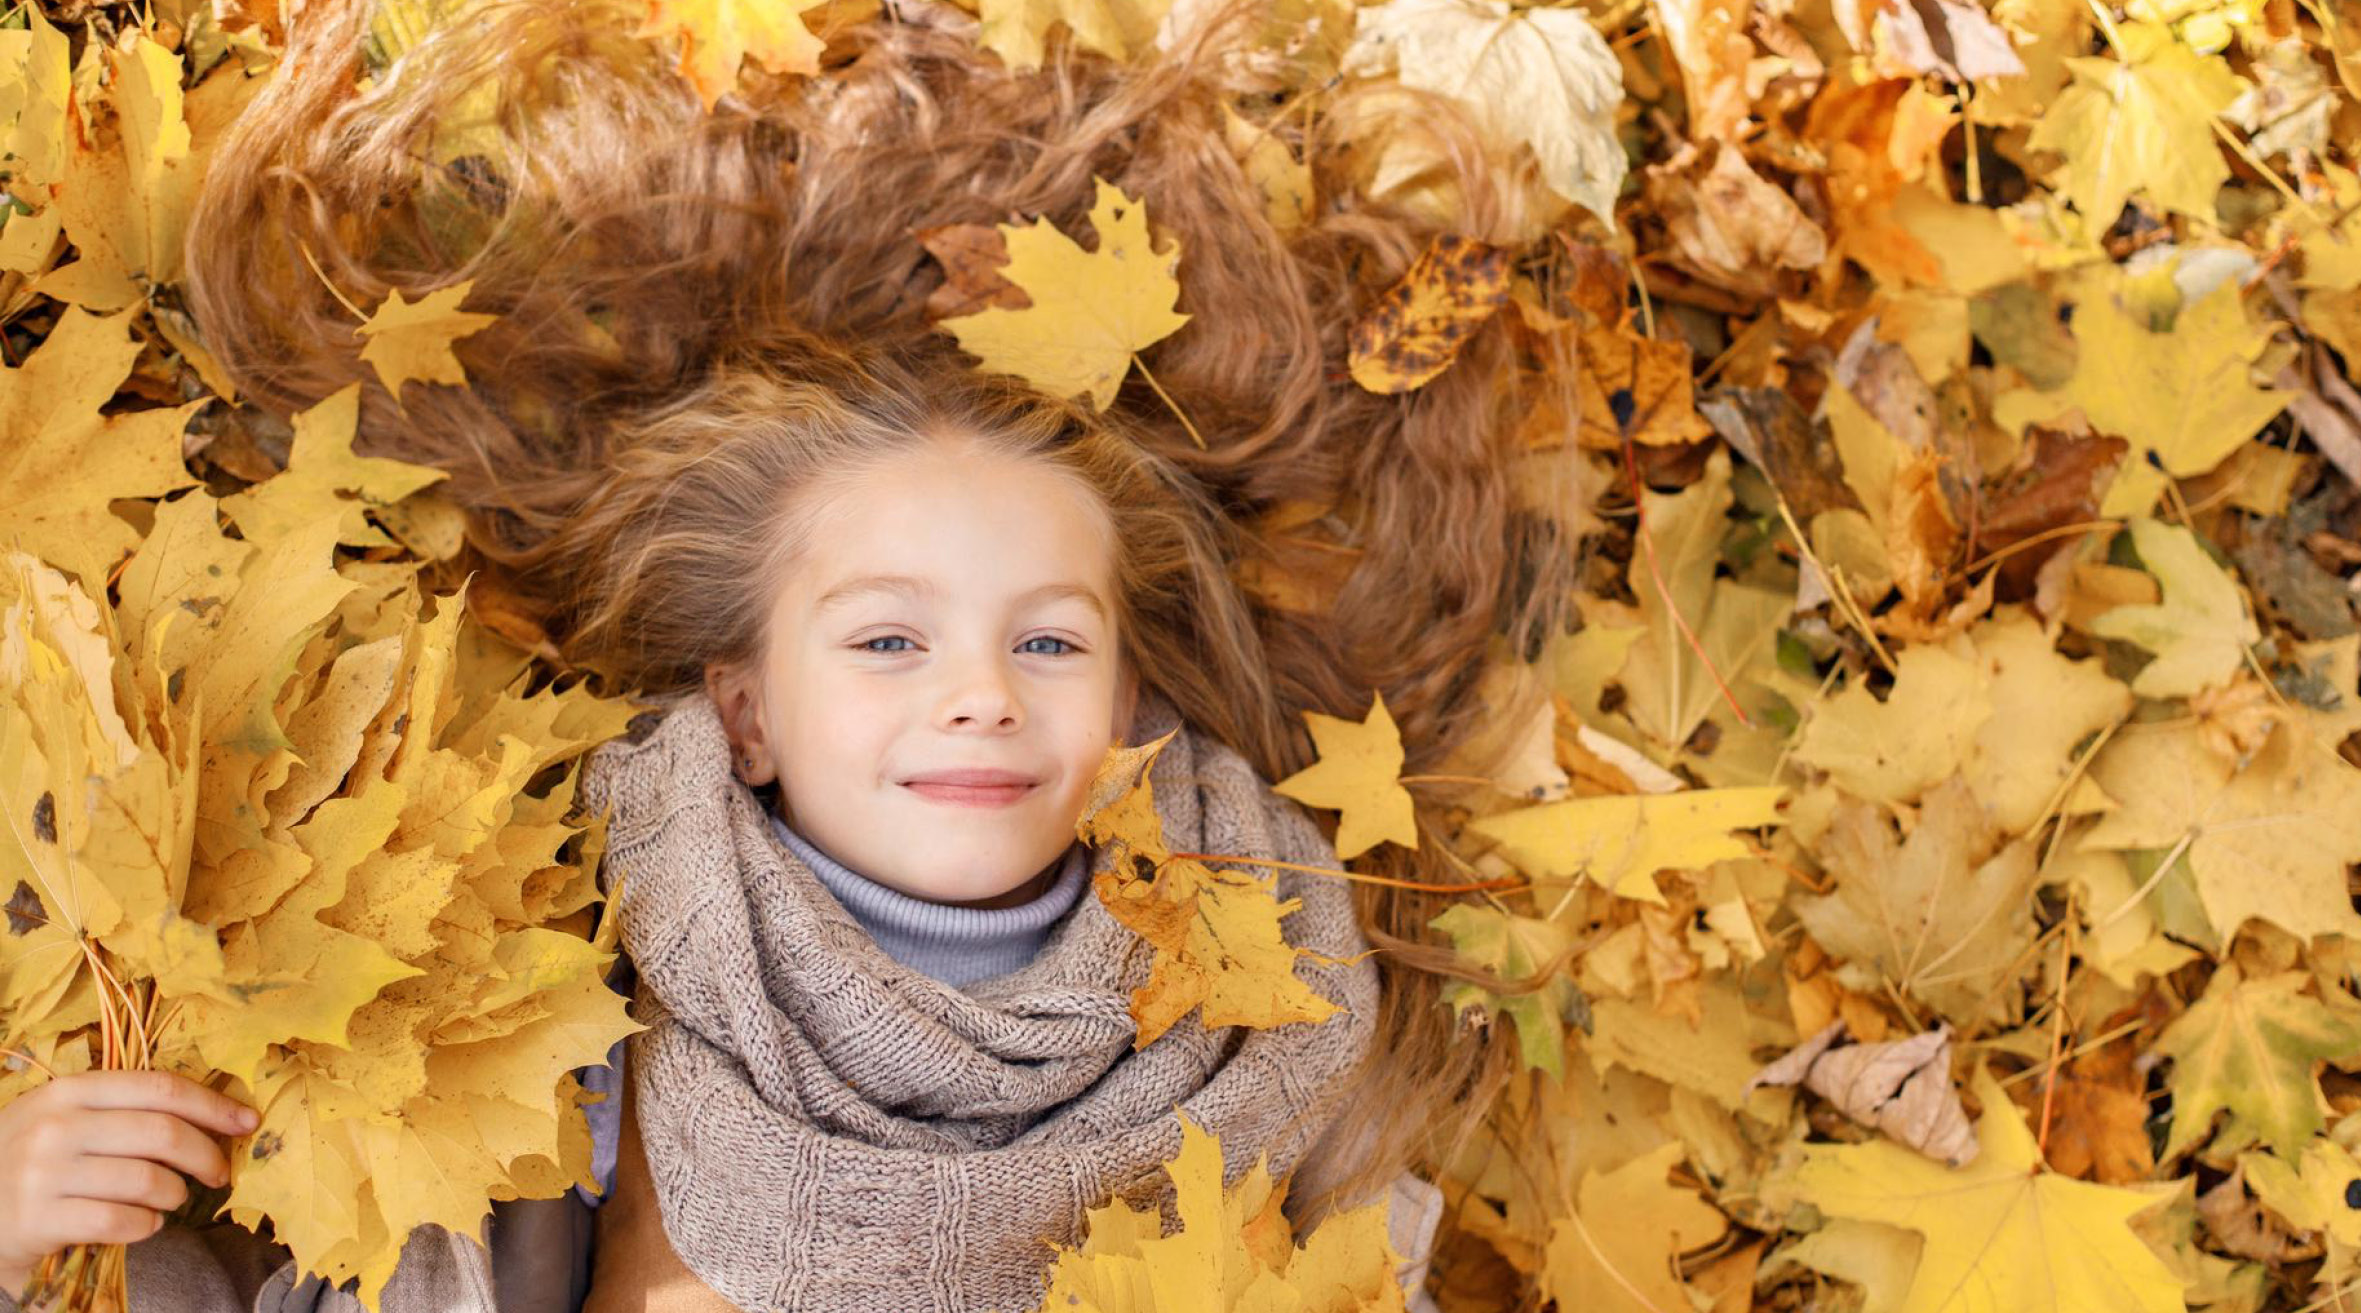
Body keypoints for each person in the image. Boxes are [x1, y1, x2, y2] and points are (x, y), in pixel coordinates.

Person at [0, 0, 1578, 1307]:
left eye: (1047, 638)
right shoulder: (541, 970)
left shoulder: (1279, 1006)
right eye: (888, 637)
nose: (980, 689)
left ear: (1130, 707)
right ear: (746, 714)